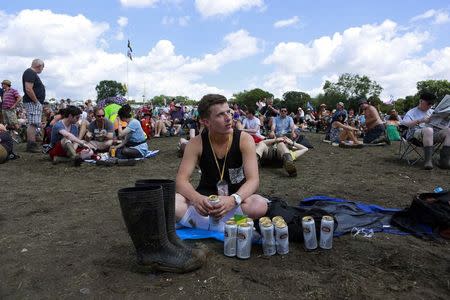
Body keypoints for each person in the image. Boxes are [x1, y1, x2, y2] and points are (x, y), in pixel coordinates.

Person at [175, 94, 268, 232]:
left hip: (236, 200)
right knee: (173, 202)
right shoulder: (196, 143)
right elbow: (181, 180)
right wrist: (196, 199)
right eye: (220, 115)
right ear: (206, 122)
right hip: (206, 202)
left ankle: (205, 224)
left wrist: (234, 199)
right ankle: (227, 225)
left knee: (259, 205)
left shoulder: (244, 139)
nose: (228, 118)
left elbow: (253, 180)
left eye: (228, 112)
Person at [401, 92, 450, 170]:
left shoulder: (433, 112)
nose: (430, 106)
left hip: (433, 135)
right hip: (416, 136)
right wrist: (420, 120)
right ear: (421, 101)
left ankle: (444, 161)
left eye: (432, 104)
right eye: (428, 103)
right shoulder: (412, 112)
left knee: (448, 131)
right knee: (428, 130)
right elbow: (404, 124)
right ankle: (428, 162)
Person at [22, 59, 46, 153]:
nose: (42, 70)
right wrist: (36, 101)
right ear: (39, 66)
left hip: (33, 102)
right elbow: (28, 89)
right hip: (33, 102)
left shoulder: (30, 73)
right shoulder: (30, 72)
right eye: (42, 68)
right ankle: (31, 146)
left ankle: (32, 144)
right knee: (33, 124)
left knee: (34, 123)